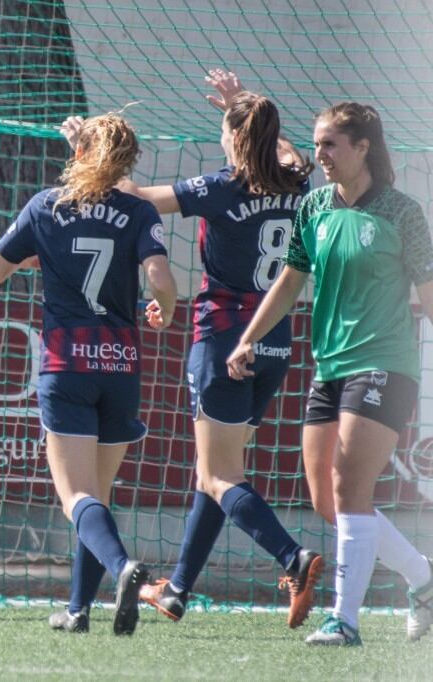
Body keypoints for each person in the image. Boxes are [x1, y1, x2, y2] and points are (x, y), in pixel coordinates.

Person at [65, 71, 323, 628]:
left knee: (217, 474)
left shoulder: (219, 187)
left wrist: (87, 151)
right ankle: (179, 587)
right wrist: (246, 110)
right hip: (276, 340)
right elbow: (292, 154)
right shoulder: (297, 181)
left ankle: (293, 559)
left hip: (225, 338)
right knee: (218, 468)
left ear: (234, 139)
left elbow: (134, 199)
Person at [228, 102, 433, 645]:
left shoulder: (401, 212)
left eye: (331, 145)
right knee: (327, 497)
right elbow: (291, 282)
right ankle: (424, 577)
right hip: (331, 365)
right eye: (316, 144)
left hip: (386, 363)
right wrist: (247, 337)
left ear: (363, 147)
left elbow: (430, 293)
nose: (320, 155)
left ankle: (345, 620)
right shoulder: (314, 207)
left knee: (349, 486)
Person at [0, 112, 177, 636]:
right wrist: (167, 309)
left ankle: (124, 570)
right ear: (127, 160)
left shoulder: (46, 205)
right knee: (98, 496)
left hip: (68, 364)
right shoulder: (138, 209)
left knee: (76, 499)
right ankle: (78, 610)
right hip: (121, 366)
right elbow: (160, 277)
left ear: (81, 154)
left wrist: (38, 258)